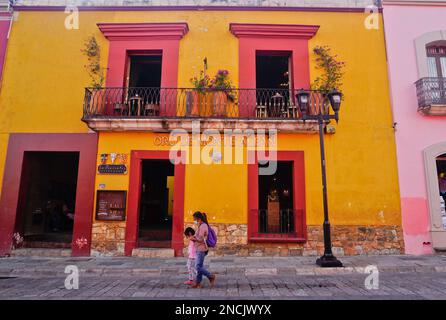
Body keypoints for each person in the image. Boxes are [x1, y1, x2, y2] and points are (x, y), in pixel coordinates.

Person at [190, 211, 216, 289]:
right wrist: (193, 237)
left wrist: (193, 239)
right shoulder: (201, 225)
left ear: (199, 218)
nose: (194, 220)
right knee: (200, 266)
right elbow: (198, 236)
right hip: (199, 248)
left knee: (197, 267)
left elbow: (200, 238)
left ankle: (211, 276)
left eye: (195, 219)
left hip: (201, 249)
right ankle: (198, 283)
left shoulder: (203, 226)